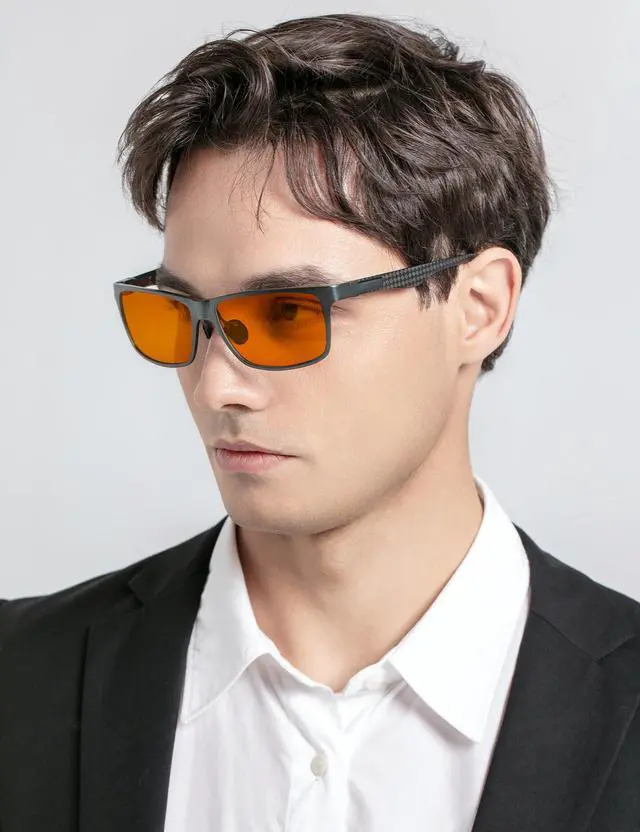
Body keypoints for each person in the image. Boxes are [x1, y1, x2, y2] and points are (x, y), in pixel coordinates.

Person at [1, 12, 638, 832]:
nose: (217, 384)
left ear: (479, 307)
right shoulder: (22, 678)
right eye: (181, 316)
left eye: (287, 315)